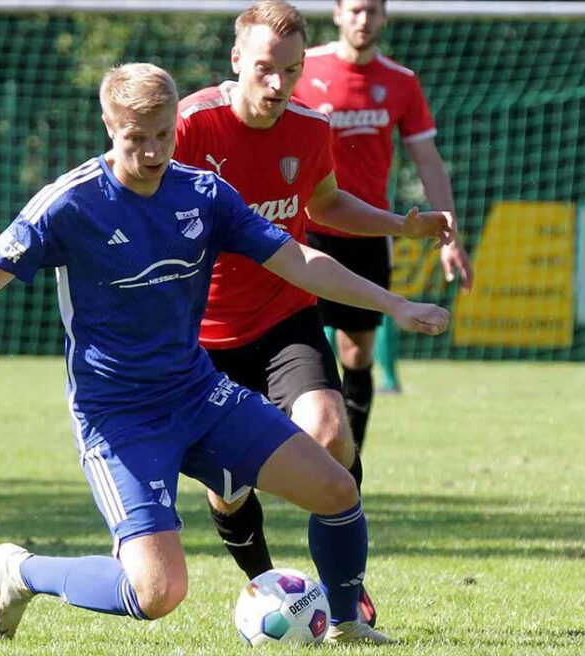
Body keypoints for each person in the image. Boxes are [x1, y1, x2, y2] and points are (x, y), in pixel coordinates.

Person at [0, 63, 448, 646]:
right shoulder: (71, 203)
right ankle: (20, 572)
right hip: (119, 417)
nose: (153, 152)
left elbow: (298, 259)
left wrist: (394, 303)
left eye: (163, 135)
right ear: (108, 126)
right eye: (136, 138)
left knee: (336, 490)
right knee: (157, 594)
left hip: (198, 393)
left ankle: (349, 624)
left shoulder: (203, 194)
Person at [175, 0, 450, 628]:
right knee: (228, 485)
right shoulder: (190, 126)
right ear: (236, 60)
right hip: (202, 336)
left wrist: (397, 226)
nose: (279, 86)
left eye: (292, 71)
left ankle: (348, 597)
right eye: (266, 69)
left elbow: (324, 204)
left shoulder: (308, 127)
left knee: (331, 431)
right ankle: (271, 588)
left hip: (283, 318)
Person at [294, 0, 474, 454]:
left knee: (357, 355)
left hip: (368, 232)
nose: (363, 19)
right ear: (337, 13)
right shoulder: (301, 68)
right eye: (354, 9)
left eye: (372, 10)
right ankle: (284, 458)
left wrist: (448, 231)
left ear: (384, 16)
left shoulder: (401, 82)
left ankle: (347, 468)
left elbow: (427, 159)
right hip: (302, 230)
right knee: (290, 343)